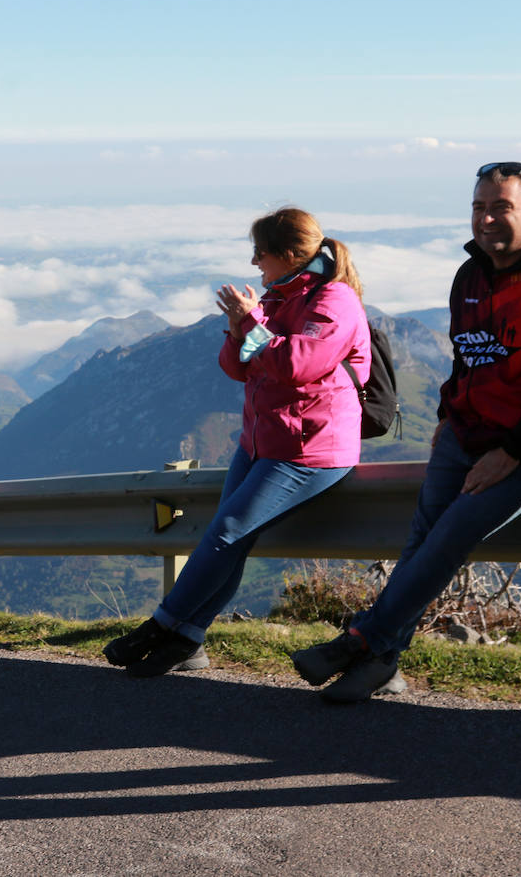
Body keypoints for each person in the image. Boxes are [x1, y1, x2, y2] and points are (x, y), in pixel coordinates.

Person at [292, 162, 521, 702]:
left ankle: (359, 640)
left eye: (502, 207)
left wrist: (512, 451)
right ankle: (380, 662)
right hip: (461, 434)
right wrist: (447, 413)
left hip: (516, 449)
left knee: (447, 539)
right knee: (423, 542)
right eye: (478, 207)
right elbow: (467, 359)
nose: (487, 218)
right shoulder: (468, 275)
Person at [103, 208, 371, 677]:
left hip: (308, 450)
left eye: (260, 252)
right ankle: (188, 638)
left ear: (288, 254)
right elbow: (239, 367)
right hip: (260, 443)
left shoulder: (335, 301)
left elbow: (296, 364)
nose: (254, 263)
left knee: (225, 534)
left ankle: (161, 627)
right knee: (231, 543)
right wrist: (238, 325)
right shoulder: (280, 296)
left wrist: (251, 323)